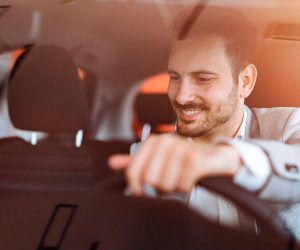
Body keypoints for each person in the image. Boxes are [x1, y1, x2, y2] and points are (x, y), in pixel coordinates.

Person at [108, 7, 300, 235]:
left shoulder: (288, 125)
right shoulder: (149, 157)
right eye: (175, 78)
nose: (181, 96)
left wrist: (227, 157)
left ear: (245, 82)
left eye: (203, 79)